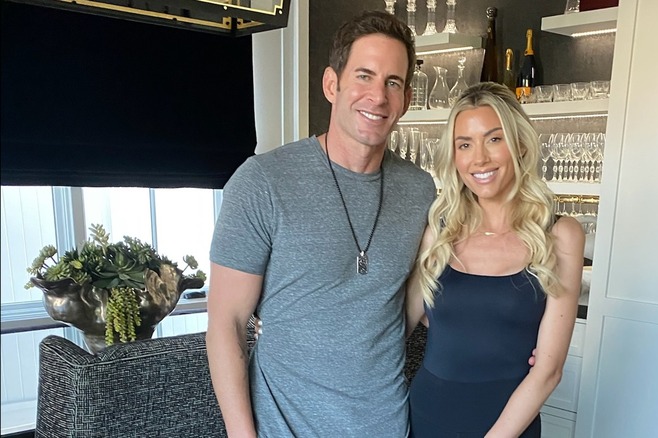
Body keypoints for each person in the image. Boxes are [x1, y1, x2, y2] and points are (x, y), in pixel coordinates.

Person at [205, 10, 436, 438]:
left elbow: (428, 293)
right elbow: (227, 324)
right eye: (364, 76)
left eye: (393, 82)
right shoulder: (262, 181)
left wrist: (506, 334)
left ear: (405, 99)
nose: (378, 96)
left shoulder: (421, 192)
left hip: (387, 426)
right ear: (332, 84)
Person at [405, 82, 585, 437]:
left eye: (494, 139)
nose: (479, 159)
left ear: (519, 144)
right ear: (454, 157)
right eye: (465, 145)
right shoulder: (437, 232)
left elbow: (548, 371)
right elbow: (397, 329)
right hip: (426, 417)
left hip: (509, 426)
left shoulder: (560, 235)